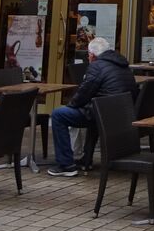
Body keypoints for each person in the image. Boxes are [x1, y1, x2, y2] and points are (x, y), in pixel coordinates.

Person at [48, 36, 137, 176]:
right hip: (122, 114)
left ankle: (66, 165)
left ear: (92, 55)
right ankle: (86, 160)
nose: (88, 57)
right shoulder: (123, 65)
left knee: (58, 115)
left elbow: (84, 93)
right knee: (94, 110)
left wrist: (71, 105)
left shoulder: (96, 66)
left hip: (103, 114)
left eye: (88, 55)